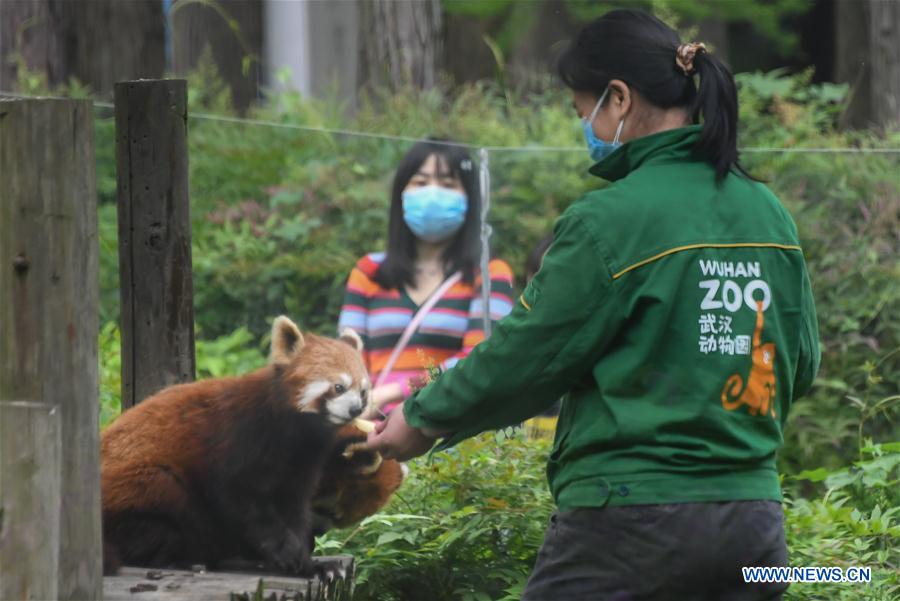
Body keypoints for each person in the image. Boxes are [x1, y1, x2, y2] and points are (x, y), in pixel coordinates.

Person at [367, 9, 820, 601]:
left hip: (626, 528)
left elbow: (524, 357)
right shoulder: (769, 213)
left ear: (620, 98)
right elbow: (800, 363)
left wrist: (421, 419)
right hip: (754, 531)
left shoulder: (606, 221)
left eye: (584, 111)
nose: (585, 126)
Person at [338, 138, 514, 419]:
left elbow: (481, 359)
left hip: (450, 432)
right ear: (401, 194)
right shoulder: (368, 271)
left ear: (470, 197)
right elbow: (347, 356)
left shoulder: (490, 273)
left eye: (448, 184)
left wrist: (396, 391)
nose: (433, 194)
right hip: (374, 431)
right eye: (420, 182)